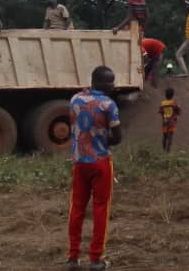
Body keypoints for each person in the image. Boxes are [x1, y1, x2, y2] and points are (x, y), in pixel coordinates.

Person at [66, 66, 122, 271]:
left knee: (77, 208)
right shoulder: (109, 104)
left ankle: (72, 258)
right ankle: (96, 259)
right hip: (100, 163)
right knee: (100, 208)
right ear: (101, 83)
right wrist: (102, 137)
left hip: (80, 162)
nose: (113, 85)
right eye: (111, 82)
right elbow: (117, 137)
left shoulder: (74, 99)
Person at [160, 88, 181, 153]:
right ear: (172, 95)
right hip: (171, 122)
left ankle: (163, 149)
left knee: (165, 136)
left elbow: (161, 112)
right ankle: (168, 151)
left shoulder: (162, 103)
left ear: (165, 95)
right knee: (170, 137)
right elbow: (177, 110)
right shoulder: (173, 103)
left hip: (165, 122)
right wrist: (179, 109)